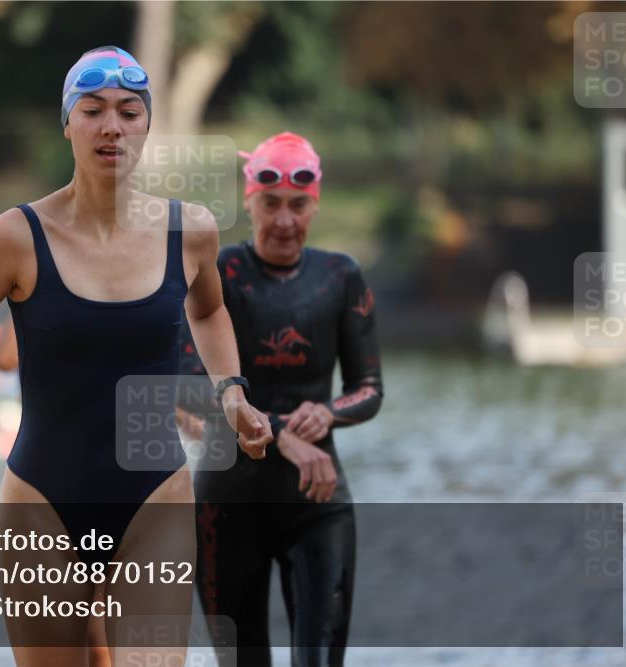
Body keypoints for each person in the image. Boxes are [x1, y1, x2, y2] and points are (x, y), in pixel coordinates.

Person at [0, 46, 274, 667]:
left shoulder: (188, 229)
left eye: (129, 112)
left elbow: (209, 310)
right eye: (93, 110)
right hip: (42, 502)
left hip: (155, 498)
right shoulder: (18, 236)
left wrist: (232, 391)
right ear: (68, 122)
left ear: (146, 125)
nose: (112, 126)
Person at [178, 131, 383, 667]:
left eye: (298, 205)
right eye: (270, 204)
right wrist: (286, 434)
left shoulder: (340, 276)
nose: (285, 221)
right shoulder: (219, 274)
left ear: (315, 204)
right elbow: (184, 385)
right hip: (226, 508)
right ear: (249, 202)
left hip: (317, 505)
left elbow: (369, 389)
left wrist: (330, 410)